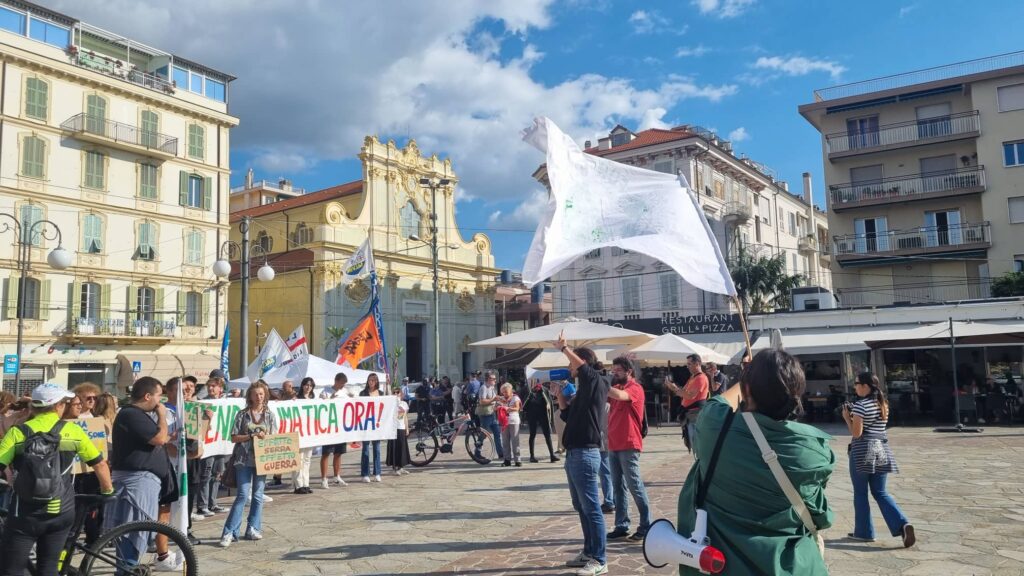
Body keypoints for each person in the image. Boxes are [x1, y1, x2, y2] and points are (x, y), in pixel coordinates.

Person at [675, 349, 835, 575]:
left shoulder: (716, 427)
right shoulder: (814, 450)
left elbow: (717, 402)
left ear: (747, 390)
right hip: (791, 566)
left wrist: (747, 377)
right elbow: (820, 514)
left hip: (722, 566)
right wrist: (754, 379)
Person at [0, 383, 113, 576]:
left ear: (33, 406)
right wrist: (107, 491)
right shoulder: (73, 431)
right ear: (58, 406)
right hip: (61, 510)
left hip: (25, 512)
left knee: (12, 569)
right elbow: (100, 464)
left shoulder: (18, 432)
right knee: (49, 568)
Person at [554, 333, 611, 576]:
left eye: (572, 363)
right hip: (574, 453)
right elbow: (568, 416)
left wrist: (564, 348)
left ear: (582, 362)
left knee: (591, 507)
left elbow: (585, 370)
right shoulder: (583, 391)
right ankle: (589, 552)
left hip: (586, 453)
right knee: (581, 506)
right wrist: (560, 398)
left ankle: (600, 559)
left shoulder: (596, 380)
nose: (569, 368)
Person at [104, 376, 172, 569]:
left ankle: (128, 567)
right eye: (159, 396)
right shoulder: (131, 414)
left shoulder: (136, 415)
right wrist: (162, 416)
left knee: (137, 529)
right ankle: (126, 569)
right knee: (133, 529)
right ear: (147, 396)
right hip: (135, 483)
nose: (160, 402)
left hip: (143, 481)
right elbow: (159, 438)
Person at [843, 372, 915, 548]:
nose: (855, 387)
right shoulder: (883, 404)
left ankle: (864, 532)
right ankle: (902, 524)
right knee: (880, 492)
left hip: (862, 450)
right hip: (881, 449)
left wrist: (847, 418)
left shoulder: (860, 406)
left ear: (865, 386)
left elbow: (857, 433)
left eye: (857, 383)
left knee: (860, 492)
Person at [219, 381, 277, 548]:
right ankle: (230, 532)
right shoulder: (242, 414)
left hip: (262, 460)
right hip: (243, 459)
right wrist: (251, 435)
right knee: (242, 495)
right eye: (256, 394)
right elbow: (233, 437)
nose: (259, 397)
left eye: (261, 394)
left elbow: (274, 437)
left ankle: (253, 527)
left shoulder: (269, 415)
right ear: (250, 396)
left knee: (258, 495)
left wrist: (266, 436)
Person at [605, 357, 652, 543]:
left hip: (629, 443)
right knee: (618, 487)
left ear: (629, 372)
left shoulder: (635, 388)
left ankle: (646, 525)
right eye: (613, 370)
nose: (614, 373)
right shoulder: (616, 388)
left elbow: (620, 396)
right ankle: (622, 525)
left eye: (618, 370)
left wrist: (600, 383)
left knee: (635, 486)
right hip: (613, 443)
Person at [666, 353, 709, 455]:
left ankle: (700, 463)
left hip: (696, 414)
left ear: (697, 364)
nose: (687, 366)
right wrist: (674, 387)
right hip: (690, 414)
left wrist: (674, 388)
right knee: (694, 443)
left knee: (697, 444)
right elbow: (684, 391)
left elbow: (690, 395)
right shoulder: (693, 377)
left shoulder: (700, 378)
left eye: (689, 364)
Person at [197, 372, 228, 517]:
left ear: (220, 388)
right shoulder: (203, 403)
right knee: (206, 474)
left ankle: (213, 503)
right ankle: (202, 505)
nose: (210, 389)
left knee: (217, 474)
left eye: (213, 386)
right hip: (208, 444)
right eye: (209, 386)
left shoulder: (225, 403)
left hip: (220, 443)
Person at [319, 373, 351, 489]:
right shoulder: (325, 391)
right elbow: (320, 406)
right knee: (326, 453)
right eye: (341, 383)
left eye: (344, 384)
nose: (342, 385)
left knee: (338, 452)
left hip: (341, 427)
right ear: (336, 381)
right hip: (329, 427)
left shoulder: (344, 392)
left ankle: (337, 476)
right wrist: (330, 399)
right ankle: (324, 479)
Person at [523, 381, 559, 463]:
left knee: (547, 434)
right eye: (533, 380)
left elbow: (549, 402)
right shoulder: (527, 390)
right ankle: (532, 456)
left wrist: (551, 418)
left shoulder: (544, 390)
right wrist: (530, 394)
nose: (535, 382)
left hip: (543, 415)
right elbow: (523, 405)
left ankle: (552, 455)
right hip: (532, 415)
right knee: (532, 434)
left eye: (537, 381)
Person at [291, 378, 316, 494]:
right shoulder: (297, 399)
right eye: (306, 385)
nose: (308, 387)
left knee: (307, 459)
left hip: (310, 433)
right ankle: (298, 485)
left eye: (310, 385)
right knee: (299, 459)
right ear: (302, 386)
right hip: (299, 433)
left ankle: (306, 483)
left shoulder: (313, 400)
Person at [475, 371, 504, 461]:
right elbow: (482, 401)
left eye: (495, 378)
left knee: (497, 433)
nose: (495, 380)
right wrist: (494, 399)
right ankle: (477, 452)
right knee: (483, 434)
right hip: (485, 415)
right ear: (488, 379)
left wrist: (501, 400)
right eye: (493, 379)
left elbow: (494, 399)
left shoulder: (491, 387)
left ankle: (501, 453)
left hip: (492, 414)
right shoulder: (484, 388)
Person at [360, 373, 384, 483]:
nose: (371, 382)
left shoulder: (381, 393)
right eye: (369, 380)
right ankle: (365, 473)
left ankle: (377, 472)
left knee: (377, 449)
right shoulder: (363, 393)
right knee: (365, 449)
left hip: (377, 424)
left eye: (373, 380)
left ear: (376, 381)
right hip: (366, 424)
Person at [386, 386, 411, 475]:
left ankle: (401, 466)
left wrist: (407, 428)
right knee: (394, 448)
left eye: (398, 392)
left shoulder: (404, 404)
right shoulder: (391, 404)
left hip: (401, 427)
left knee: (402, 448)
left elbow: (405, 417)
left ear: (401, 393)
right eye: (394, 392)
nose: (396, 394)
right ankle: (395, 467)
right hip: (393, 428)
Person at [496, 383, 523, 467]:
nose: (505, 394)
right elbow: (495, 408)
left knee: (515, 441)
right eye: (503, 392)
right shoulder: (501, 399)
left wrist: (507, 408)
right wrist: (499, 407)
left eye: (506, 392)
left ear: (511, 391)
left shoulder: (515, 398)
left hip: (513, 421)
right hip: (504, 422)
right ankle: (507, 460)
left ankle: (517, 460)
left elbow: (517, 408)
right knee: (505, 441)